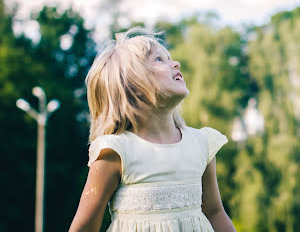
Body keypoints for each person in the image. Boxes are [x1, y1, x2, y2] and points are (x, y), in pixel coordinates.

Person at [69, 28, 236, 232]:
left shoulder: (201, 144)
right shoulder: (115, 151)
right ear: (132, 86)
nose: (175, 63)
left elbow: (215, 213)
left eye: (170, 58)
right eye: (159, 60)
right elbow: (85, 226)